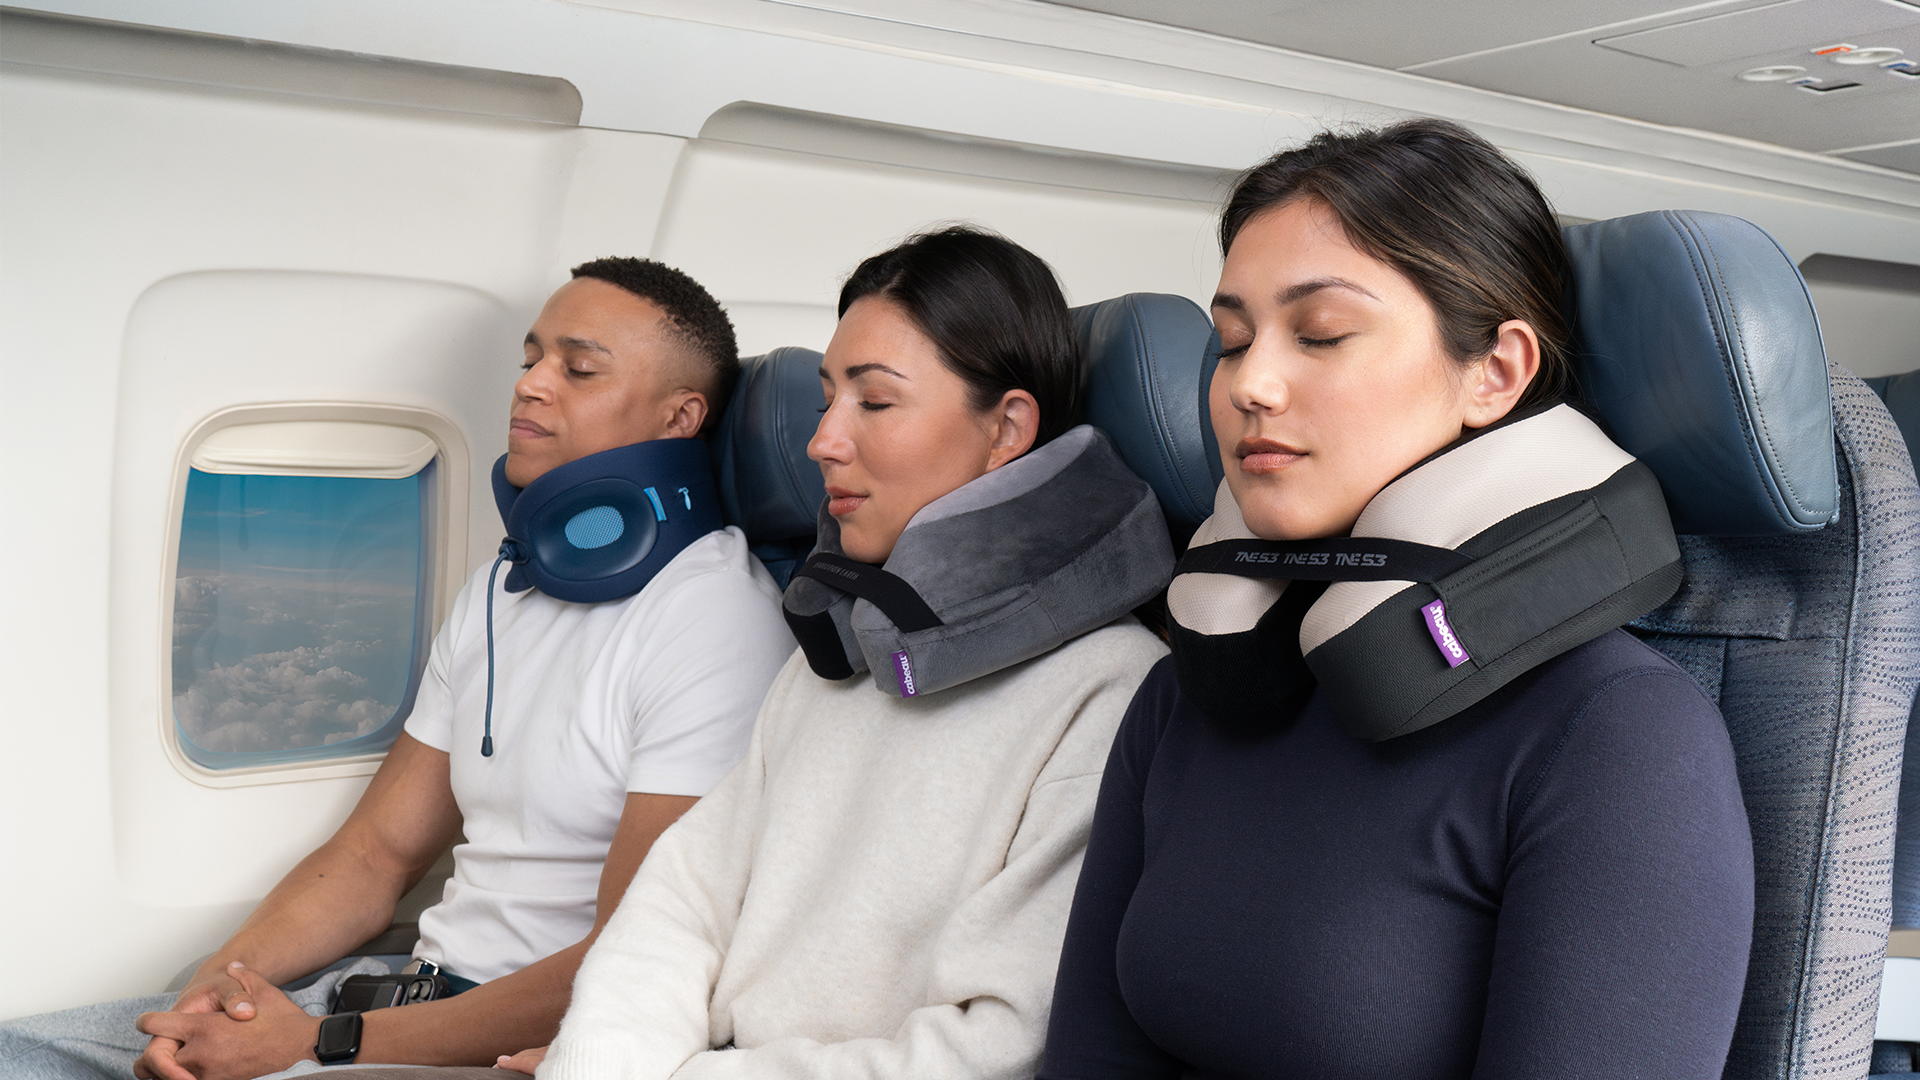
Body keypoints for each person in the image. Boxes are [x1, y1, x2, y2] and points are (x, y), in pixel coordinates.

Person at [1039, 120, 1755, 1078]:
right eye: (1232, 341)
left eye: (1321, 334)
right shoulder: (1184, 698)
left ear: (1495, 372)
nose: (1250, 383)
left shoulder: (1619, 735)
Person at [0, 258, 797, 1080]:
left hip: (510, 1043)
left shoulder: (711, 624)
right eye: (531, 359)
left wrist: (312, 1045)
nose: (531, 385)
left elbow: (632, 962)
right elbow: (375, 855)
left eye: (579, 368)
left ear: (680, 416)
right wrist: (215, 990)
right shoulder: (504, 584)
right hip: (396, 998)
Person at [518, 226, 1175, 1080]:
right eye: (829, 398)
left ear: (1007, 427)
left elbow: (1003, 1044)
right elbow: (679, 907)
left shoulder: (1109, 691)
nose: (823, 440)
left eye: (873, 401)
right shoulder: (841, 652)